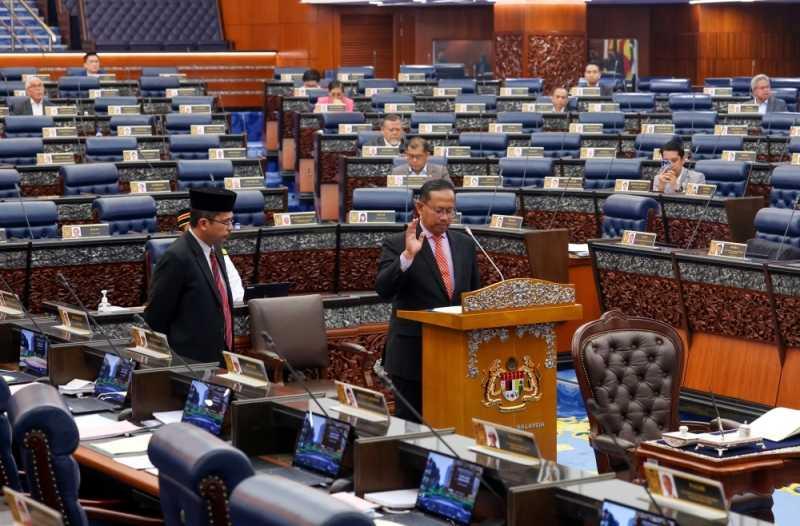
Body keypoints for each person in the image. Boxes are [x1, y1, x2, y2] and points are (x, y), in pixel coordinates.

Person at [375, 178, 480, 420]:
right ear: (420, 208)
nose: (445, 217)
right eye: (439, 210)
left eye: (450, 210)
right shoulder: (397, 243)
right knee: (411, 424)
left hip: (455, 351)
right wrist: (407, 258)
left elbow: (474, 294)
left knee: (454, 419)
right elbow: (383, 290)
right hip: (412, 354)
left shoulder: (464, 244)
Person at [144, 188, 238, 363]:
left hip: (221, 356)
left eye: (232, 221)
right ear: (203, 223)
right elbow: (156, 318)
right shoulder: (177, 257)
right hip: (189, 364)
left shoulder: (215, 248)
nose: (231, 228)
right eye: (226, 222)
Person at [175, 208, 244, 303]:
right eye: (190, 231)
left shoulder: (217, 253)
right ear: (181, 234)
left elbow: (236, 290)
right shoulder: (177, 258)